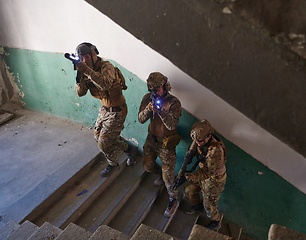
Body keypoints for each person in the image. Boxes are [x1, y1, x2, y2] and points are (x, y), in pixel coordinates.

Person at [73, 42, 137, 177]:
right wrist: (79, 76)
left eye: (86, 57)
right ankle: (129, 149)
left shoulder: (106, 66)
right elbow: (80, 93)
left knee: (103, 143)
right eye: (81, 58)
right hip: (104, 109)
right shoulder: (85, 69)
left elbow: (105, 84)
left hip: (118, 110)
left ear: (94, 54)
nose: (84, 60)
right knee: (97, 137)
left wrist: (86, 70)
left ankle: (113, 164)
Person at [138, 72, 182, 217]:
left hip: (166, 143)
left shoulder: (173, 102)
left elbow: (171, 125)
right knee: (148, 165)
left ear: (164, 86)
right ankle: (160, 176)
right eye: (151, 89)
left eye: (157, 89)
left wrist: (161, 112)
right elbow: (140, 119)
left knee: (169, 176)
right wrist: (148, 110)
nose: (154, 92)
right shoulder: (147, 99)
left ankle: (173, 199)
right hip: (152, 139)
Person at [183, 119, 227, 231]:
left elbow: (207, 173)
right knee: (189, 190)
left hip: (214, 180)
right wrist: (189, 155)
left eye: (200, 141)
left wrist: (189, 176)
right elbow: (195, 147)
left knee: (209, 206)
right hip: (203, 175)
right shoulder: (199, 139)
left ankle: (215, 222)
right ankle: (198, 206)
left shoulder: (215, 151)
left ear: (209, 136)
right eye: (196, 140)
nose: (197, 143)